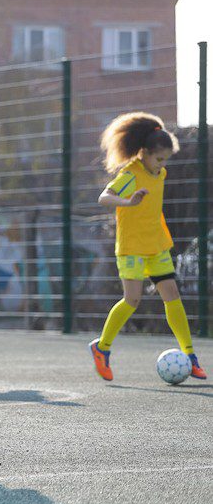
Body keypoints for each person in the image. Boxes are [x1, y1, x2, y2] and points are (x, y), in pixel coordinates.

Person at [90, 112, 206, 381]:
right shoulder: (131, 174)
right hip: (131, 247)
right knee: (132, 299)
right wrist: (128, 202)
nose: (162, 164)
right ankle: (102, 347)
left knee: (173, 297)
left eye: (166, 159)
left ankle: (190, 355)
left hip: (157, 245)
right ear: (143, 153)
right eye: (158, 158)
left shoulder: (160, 173)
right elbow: (104, 197)